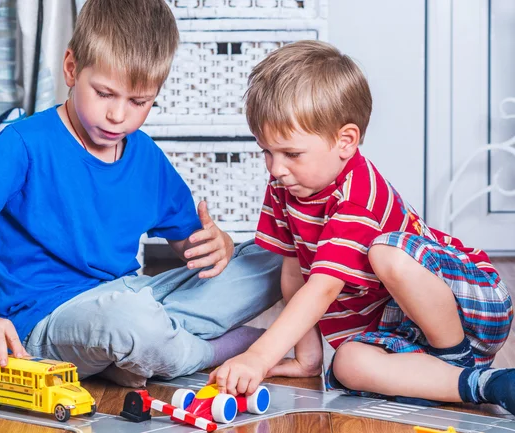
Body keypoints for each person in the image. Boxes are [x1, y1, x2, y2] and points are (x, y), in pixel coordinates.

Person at [0, 0, 282, 387]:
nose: (119, 116)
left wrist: (220, 247)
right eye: (104, 94)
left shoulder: (144, 154)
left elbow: (191, 249)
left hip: (132, 295)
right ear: (71, 68)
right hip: (45, 321)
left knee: (272, 260)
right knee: (129, 321)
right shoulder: (23, 143)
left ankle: (138, 354)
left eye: (139, 102)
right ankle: (211, 350)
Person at [209, 40, 515, 415]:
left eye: (291, 153)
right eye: (266, 152)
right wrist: (309, 357)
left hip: (468, 306)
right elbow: (294, 274)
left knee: (387, 254)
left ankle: (456, 360)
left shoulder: (359, 197)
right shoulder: (284, 187)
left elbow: (322, 289)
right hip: (400, 329)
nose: (275, 168)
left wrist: (258, 356)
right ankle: (483, 385)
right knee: (347, 363)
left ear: (345, 141)